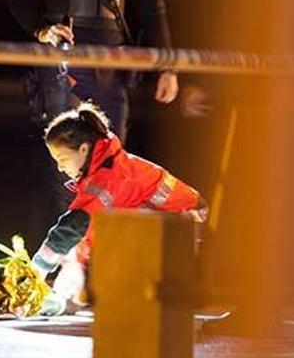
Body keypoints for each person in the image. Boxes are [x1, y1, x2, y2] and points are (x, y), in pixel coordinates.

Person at [31, 102, 207, 313]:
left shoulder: (111, 178)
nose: (60, 167)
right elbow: (86, 234)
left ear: (84, 149)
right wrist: (64, 290)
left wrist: (35, 270)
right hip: (178, 228)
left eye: (63, 159)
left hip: (188, 229)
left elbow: (74, 226)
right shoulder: (107, 170)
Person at [8, 0, 179, 141]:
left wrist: (166, 67)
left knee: (110, 151)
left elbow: (151, 8)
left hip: (109, 58)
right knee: (67, 147)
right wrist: (43, 30)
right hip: (63, 51)